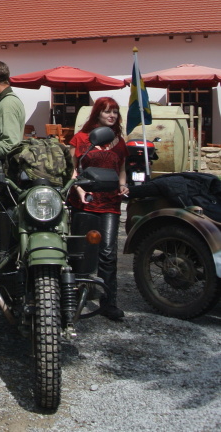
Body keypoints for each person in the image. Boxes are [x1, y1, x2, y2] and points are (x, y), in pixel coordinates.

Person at [69, 97, 129, 321]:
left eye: (114, 111)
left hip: (110, 203)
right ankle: (72, 296)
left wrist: (123, 185)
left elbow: (122, 168)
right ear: (97, 114)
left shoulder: (119, 141)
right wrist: (78, 189)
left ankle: (108, 301)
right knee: (80, 250)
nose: (111, 115)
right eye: (106, 112)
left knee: (107, 252)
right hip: (85, 200)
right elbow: (73, 169)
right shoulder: (81, 139)